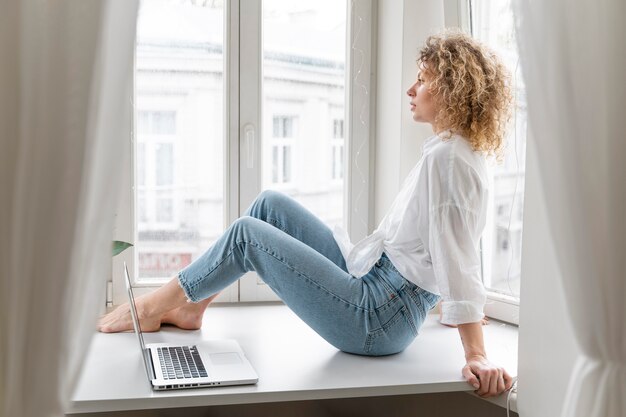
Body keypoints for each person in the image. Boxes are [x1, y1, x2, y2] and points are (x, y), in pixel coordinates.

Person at [99, 30, 514, 398]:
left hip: (376, 318)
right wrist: (440, 304)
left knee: (247, 233)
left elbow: (457, 253)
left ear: (452, 89)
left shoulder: (450, 159)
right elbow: (437, 246)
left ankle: (151, 307)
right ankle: (192, 307)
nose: (411, 89)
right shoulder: (452, 152)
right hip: (380, 289)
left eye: (422, 80)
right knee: (267, 206)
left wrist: (474, 350)